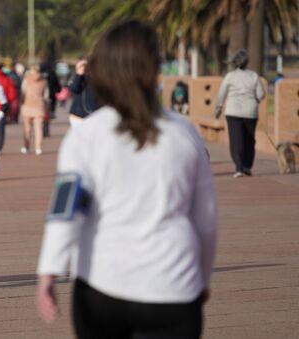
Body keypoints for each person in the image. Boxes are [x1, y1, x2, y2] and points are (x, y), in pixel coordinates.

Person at [36, 21, 217, 338]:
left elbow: (66, 208)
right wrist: (201, 278)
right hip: (173, 284)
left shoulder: (87, 135)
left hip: (102, 284)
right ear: (154, 69)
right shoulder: (184, 133)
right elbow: (205, 217)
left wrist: (48, 270)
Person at [215, 48, 265, 178]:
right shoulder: (254, 76)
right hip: (251, 112)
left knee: (236, 139)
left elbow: (221, 93)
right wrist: (256, 99)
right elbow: (261, 95)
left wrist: (218, 108)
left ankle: (239, 168)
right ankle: (247, 166)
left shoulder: (230, 76)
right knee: (249, 139)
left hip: (233, 112)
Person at [20, 65, 49, 155]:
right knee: (39, 128)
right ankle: (38, 148)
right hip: (39, 106)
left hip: (27, 105)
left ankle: (26, 146)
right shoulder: (44, 81)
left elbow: (23, 92)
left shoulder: (26, 80)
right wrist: (46, 106)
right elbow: (46, 96)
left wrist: (21, 102)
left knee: (27, 128)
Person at [68, 58, 101, 128]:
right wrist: (79, 75)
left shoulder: (98, 78)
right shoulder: (76, 78)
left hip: (95, 116)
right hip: (78, 116)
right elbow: (74, 89)